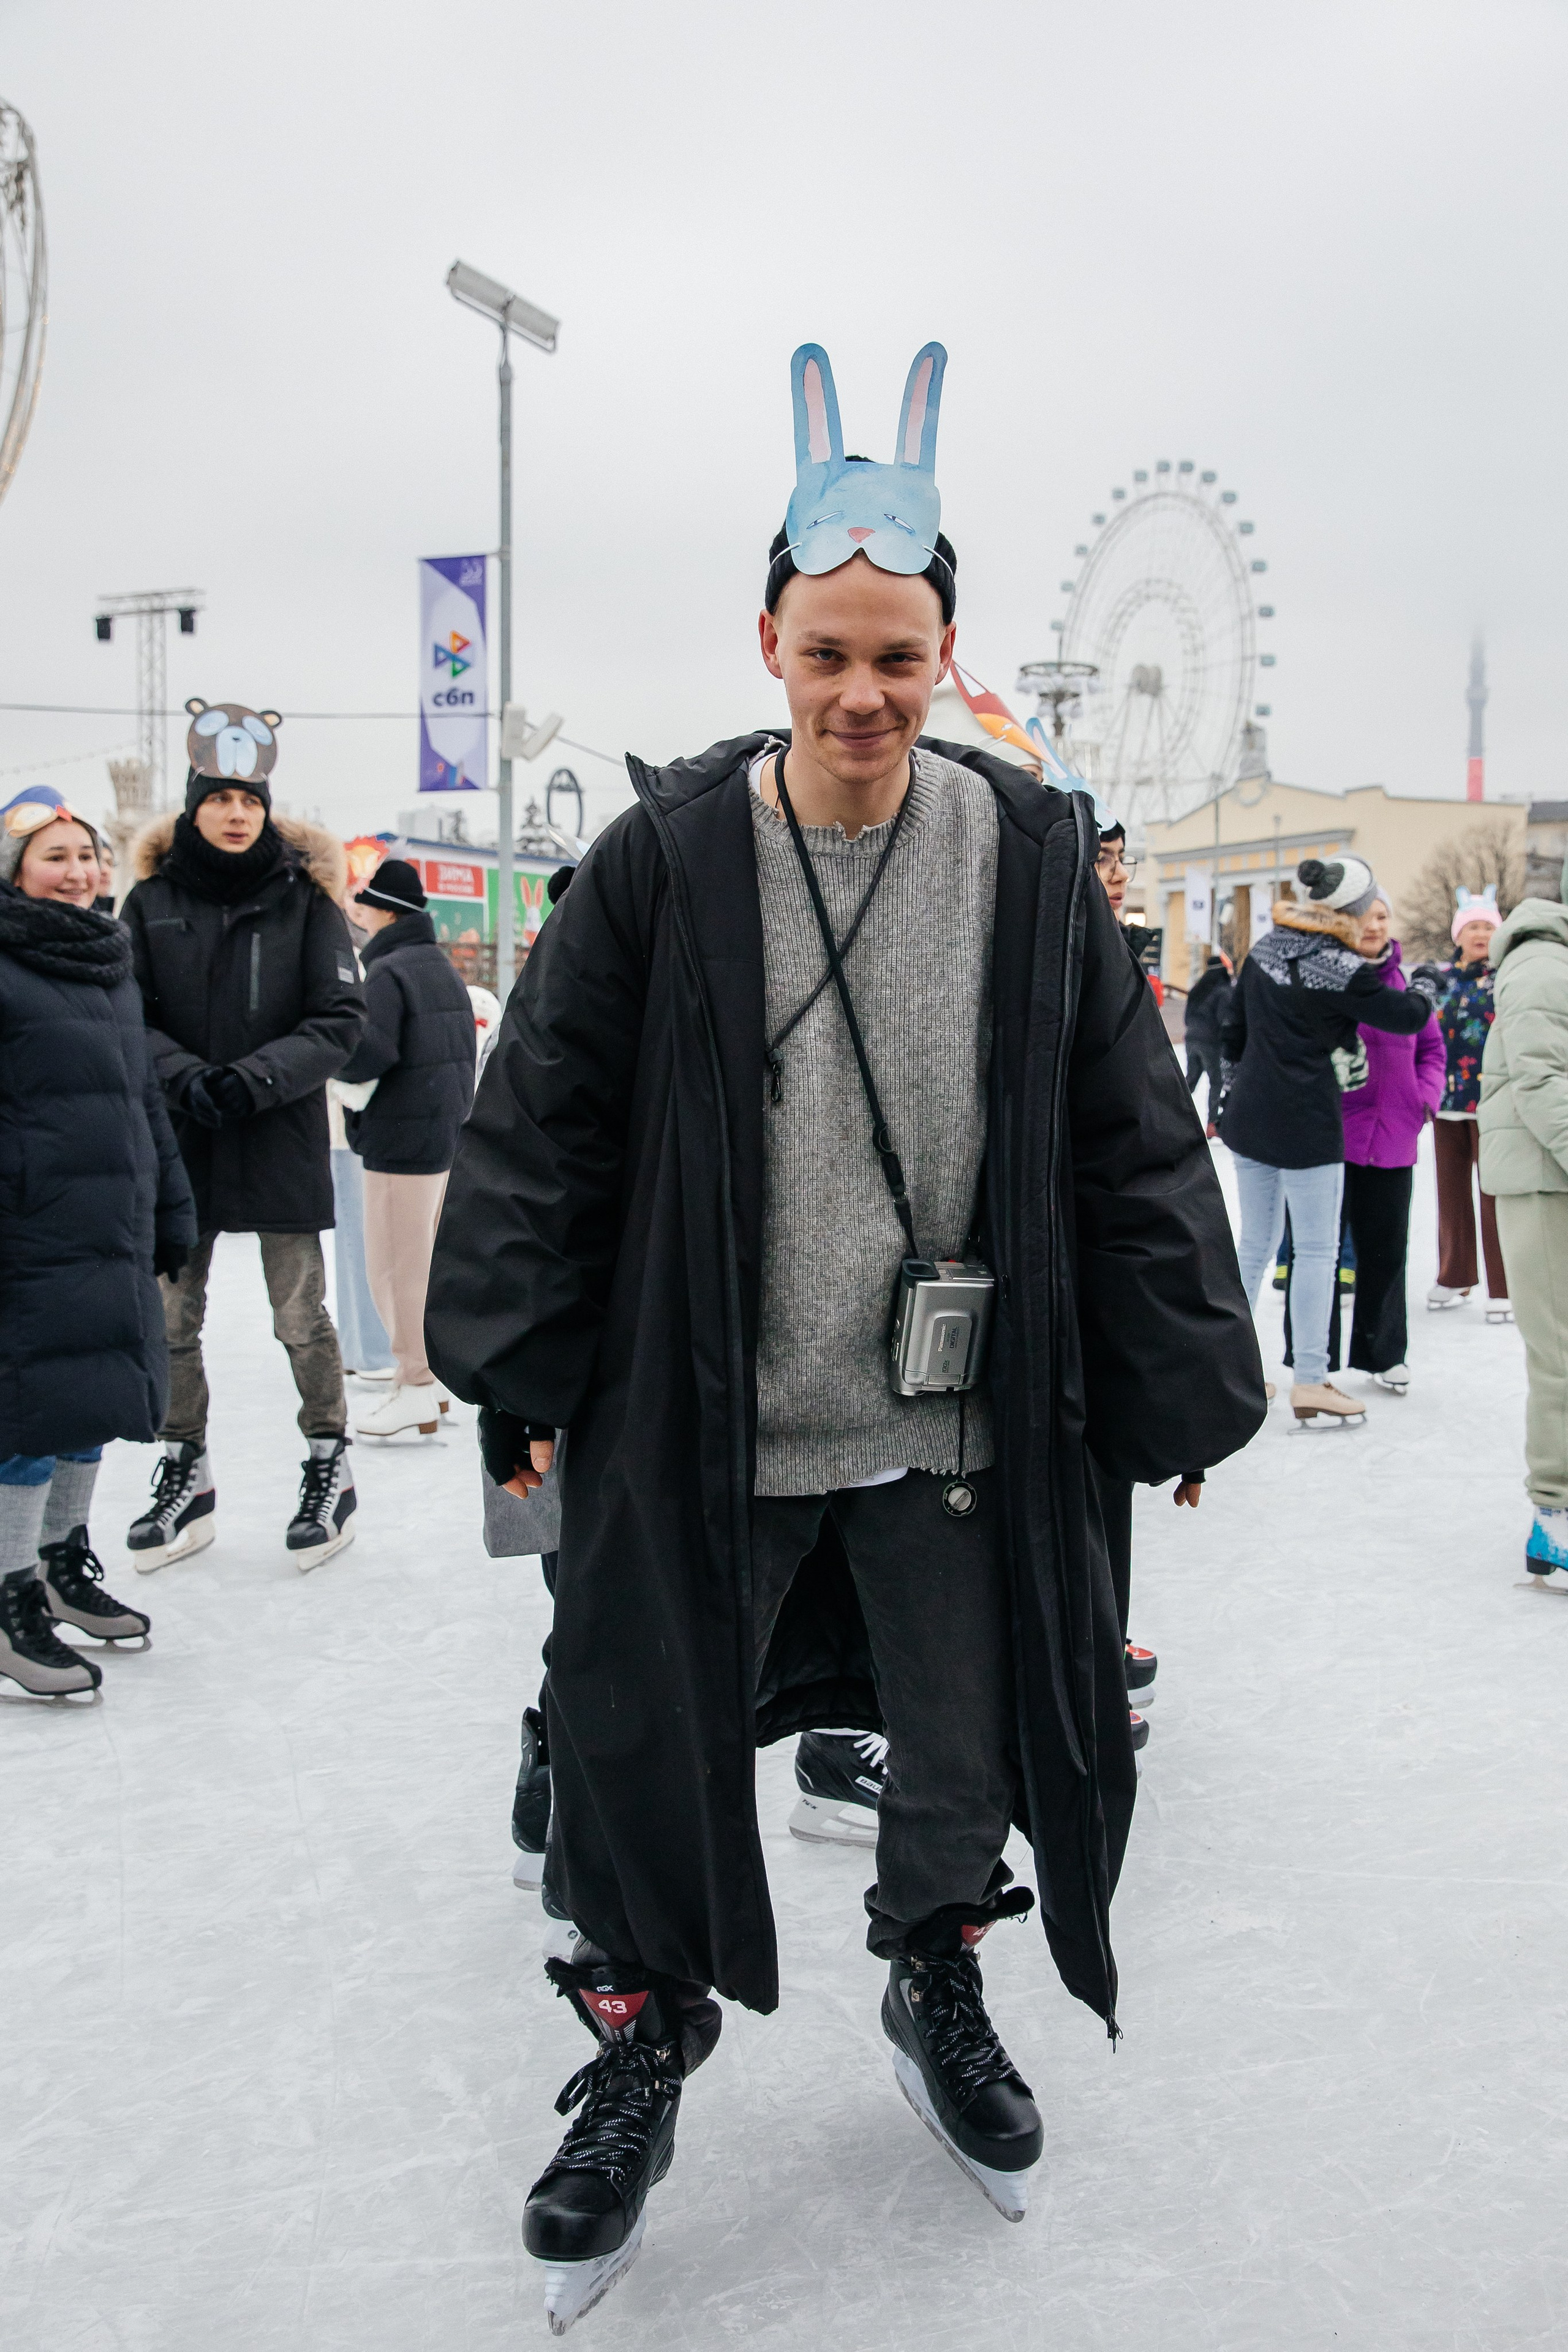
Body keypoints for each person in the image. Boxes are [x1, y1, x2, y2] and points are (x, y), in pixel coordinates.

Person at [427, 337, 1264, 2328]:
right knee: (638, 1743)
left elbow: (1128, 1142)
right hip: (713, 1409)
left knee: (965, 1752)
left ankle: (939, 1970)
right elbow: (545, 1121)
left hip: (957, 1427)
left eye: (900, 655)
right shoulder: (660, 864)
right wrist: (517, 1371)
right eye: (828, 656)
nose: (865, 694)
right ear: (771, 645)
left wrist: (1174, 1370)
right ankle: (640, 2036)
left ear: (951, 645)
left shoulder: (1035, 867)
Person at [119, 700, 365, 1570]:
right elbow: (127, 1014)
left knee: (298, 1311)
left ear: (267, 810)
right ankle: (186, 1465)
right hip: (181, 1138)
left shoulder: (306, 903)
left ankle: (328, 1460)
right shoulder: (149, 904)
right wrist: (188, 1078)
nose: (234, 813)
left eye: (249, 801)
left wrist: (254, 1079)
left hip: (276, 1135)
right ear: (193, 807)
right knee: (172, 1314)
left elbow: (340, 1018)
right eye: (219, 798)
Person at [0, 790, 197, 1697]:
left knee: (98, 1405)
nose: (78, 872)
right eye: (55, 857)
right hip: (32, 1228)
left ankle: (59, 1562)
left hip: (108, 1223)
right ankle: (9, 1596)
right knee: (29, 1422)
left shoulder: (107, 960)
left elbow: (142, 1102)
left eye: (87, 855)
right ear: (15, 874)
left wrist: (172, 1208)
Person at [1219, 856, 1432, 1427]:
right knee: (1316, 1252)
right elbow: (1407, 1016)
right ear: (1351, 911)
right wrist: (1427, 985)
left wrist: (1230, 1093)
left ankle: (1226, 1366)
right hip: (1309, 1124)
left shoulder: (1265, 949)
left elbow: (1231, 1027)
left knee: (1254, 1246)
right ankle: (1311, 1380)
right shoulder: (1339, 966)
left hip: (1251, 1118)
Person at [335, 858, 475, 1439]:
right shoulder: (438, 968)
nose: (357, 911)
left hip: (399, 1138)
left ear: (383, 911)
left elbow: (369, 1053)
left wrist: (329, 1061)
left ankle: (415, 1383)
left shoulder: (389, 972)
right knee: (426, 1263)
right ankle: (427, 1379)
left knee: (395, 1268)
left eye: (363, 903)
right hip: (440, 1136)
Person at [1477, 870, 1568, 1577]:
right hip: (1542, 1182)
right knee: (1559, 1355)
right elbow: (1541, 1082)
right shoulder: (1540, 963)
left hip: (1553, 1173)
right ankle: (1554, 1516)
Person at [1428, 886, 1511, 1322]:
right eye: (1473, 926)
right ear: (1458, 934)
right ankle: (1454, 1274)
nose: (1480, 933)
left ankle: (1503, 1286)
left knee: (1494, 1193)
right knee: (1451, 1194)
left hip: (1493, 1101)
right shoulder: (1440, 979)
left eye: (1488, 926)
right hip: (1446, 1100)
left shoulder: (1506, 976)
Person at [1183, 950, 1234, 1134]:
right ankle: (1212, 1124)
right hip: (1211, 1042)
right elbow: (1225, 1020)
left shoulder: (1198, 989)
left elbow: (1187, 1016)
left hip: (1191, 1039)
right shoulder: (1223, 992)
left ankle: (1171, 1116)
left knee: (1191, 1080)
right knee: (1216, 1082)